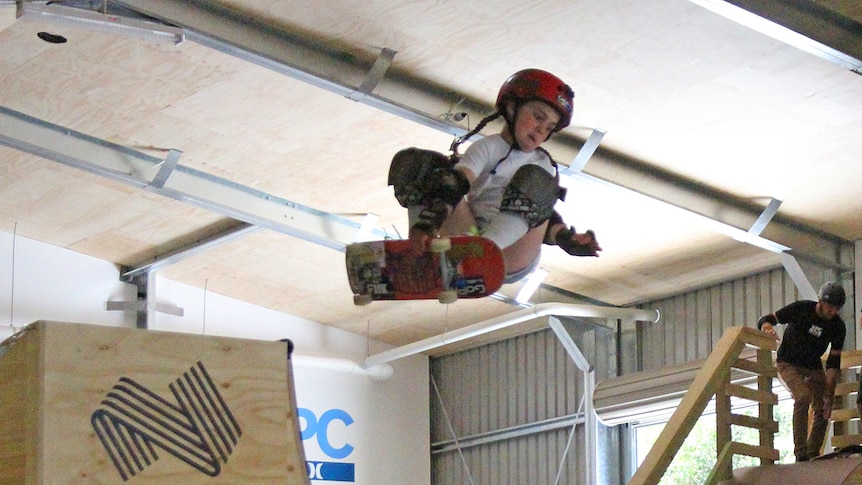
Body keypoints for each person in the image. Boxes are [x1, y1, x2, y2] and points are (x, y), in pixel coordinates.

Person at [388, 68, 601, 283]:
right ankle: (420, 251)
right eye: (538, 117)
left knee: (535, 180)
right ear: (511, 107)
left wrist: (565, 238)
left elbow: (542, 215)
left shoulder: (541, 164)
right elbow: (456, 184)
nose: (540, 131)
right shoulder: (487, 148)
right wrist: (428, 223)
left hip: (511, 252)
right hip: (470, 233)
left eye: (549, 128)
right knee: (418, 164)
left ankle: (481, 252)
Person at [757, 281, 847, 462]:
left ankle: (813, 451)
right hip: (788, 362)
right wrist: (768, 329)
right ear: (820, 301)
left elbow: (833, 363)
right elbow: (765, 320)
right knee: (803, 396)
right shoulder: (801, 309)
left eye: (836, 309)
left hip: (813, 366)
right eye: (829, 307)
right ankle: (801, 452)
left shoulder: (838, 326)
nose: (832, 312)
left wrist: (829, 394)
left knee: (824, 406)